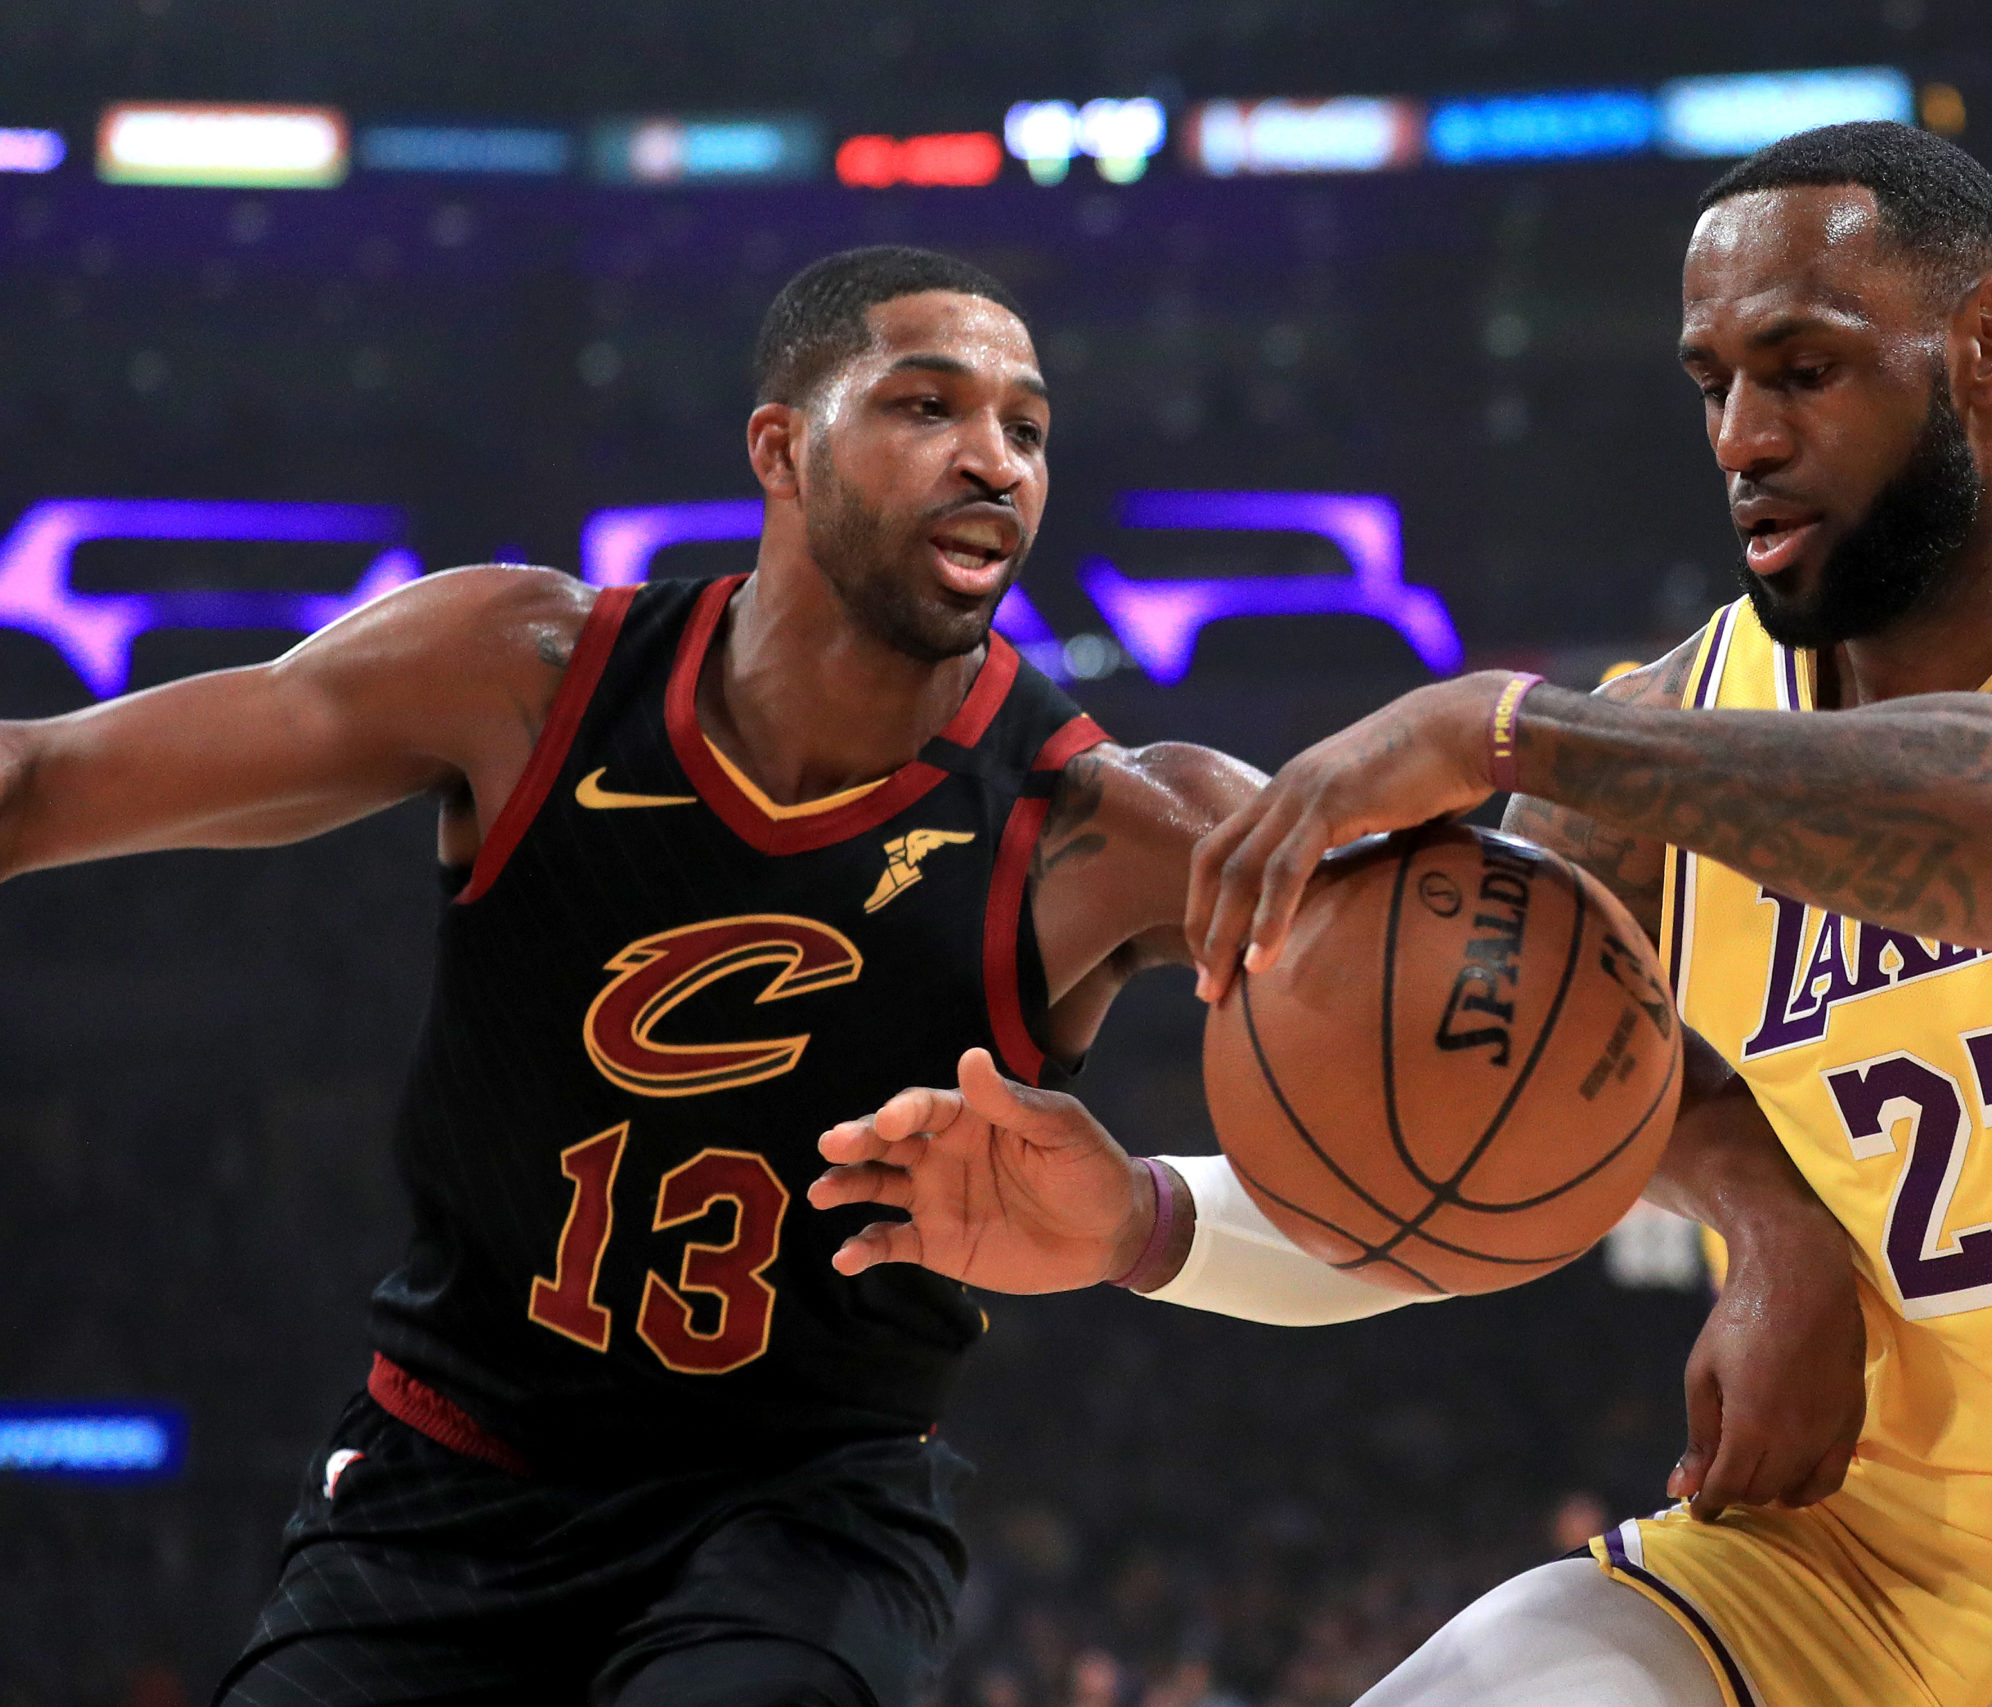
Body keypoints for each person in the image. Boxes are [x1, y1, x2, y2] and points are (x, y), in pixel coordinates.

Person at [814, 126, 1992, 1707]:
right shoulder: (1660, 759)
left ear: (1990, 341)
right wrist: (1141, 1222)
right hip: (1842, 1560)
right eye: (1713, 384)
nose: (1743, 434)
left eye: (1802, 368)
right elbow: (1462, 1175)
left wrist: (1513, 731)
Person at [0, 245, 1275, 1706]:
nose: (995, 459)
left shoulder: (1105, 823)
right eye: (929, 406)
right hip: (443, 1487)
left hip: (802, 1518)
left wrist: (1528, 745)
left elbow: (1419, 961)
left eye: (1029, 429)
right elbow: (36, 783)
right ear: (781, 450)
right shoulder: (525, 674)